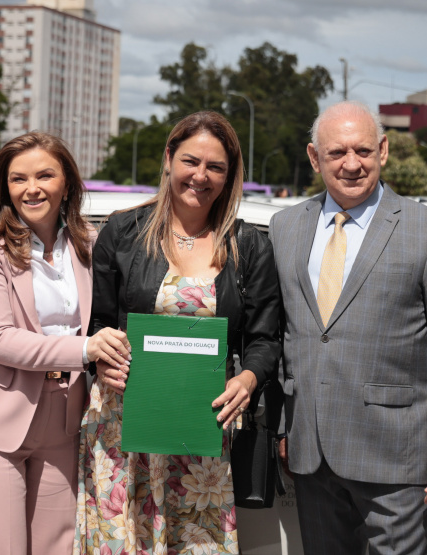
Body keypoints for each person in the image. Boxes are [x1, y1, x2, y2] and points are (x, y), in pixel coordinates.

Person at [268, 100, 427, 554]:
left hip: (395, 455)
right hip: (310, 452)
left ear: (383, 149)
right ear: (313, 157)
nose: (351, 164)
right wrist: (285, 426)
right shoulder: (284, 227)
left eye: (362, 150)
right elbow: (284, 338)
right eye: (337, 152)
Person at [74, 111, 281, 555]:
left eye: (216, 167)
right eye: (191, 161)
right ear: (169, 157)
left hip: (201, 427)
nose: (200, 176)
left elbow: (264, 339)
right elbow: (98, 324)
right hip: (125, 421)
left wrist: (248, 379)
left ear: (230, 176)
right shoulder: (123, 231)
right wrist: (102, 359)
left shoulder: (248, 245)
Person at [0, 132, 130, 555]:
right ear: (4, 188)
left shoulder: (89, 246)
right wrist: (86, 350)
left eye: (45, 175)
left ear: (67, 183)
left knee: (57, 549)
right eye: (18, 179)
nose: (32, 189)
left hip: (64, 424)